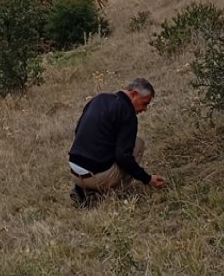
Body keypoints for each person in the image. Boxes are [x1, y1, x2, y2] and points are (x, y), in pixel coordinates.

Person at [67, 77, 167, 206]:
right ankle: (111, 193)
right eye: (144, 103)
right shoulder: (127, 113)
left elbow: (78, 131)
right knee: (137, 145)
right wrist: (147, 179)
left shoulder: (98, 99)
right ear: (134, 94)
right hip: (96, 177)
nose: (145, 109)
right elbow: (123, 156)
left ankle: (82, 189)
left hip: (74, 171)